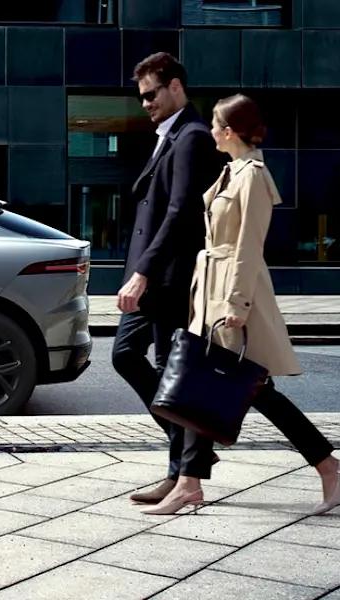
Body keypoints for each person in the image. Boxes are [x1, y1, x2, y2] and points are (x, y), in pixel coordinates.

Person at [142, 94, 340, 516]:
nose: (209, 132)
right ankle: (190, 483)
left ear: (229, 130)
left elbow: (247, 246)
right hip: (211, 291)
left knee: (249, 389)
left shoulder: (253, 175)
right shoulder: (233, 171)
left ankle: (329, 465)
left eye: (215, 124)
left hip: (233, 294)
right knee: (202, 385)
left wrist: (237, 303)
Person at [112, 52, 225, 504]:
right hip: (155, 278)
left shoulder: (193, 136)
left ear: (176, 86)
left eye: (151, 94)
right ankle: (184, 461)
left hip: (168, 278)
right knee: (128, 356)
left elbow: (180, 213)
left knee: (164, 368)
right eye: (140, 97)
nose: (144, 104)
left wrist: (142, 273)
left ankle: (186, 469)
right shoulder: (170, 136)